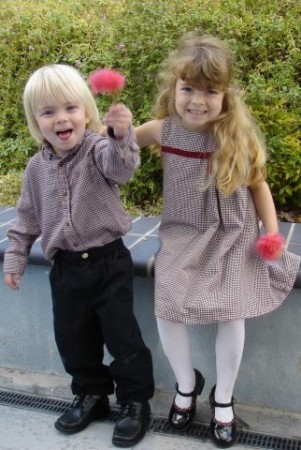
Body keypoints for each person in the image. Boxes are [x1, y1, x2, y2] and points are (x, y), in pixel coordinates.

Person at [135, 32, 300, 448]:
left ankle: (223, 397)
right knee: (167, 303)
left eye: (210, 91)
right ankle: (186, 384)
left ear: (227, 96)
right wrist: (110, 130)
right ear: (173, 89)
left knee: (232, 310)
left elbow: (259, 188)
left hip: (233, 235)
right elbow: (116, 145)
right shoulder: (163, 130)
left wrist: (272, 234)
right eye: (187, 88)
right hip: (183, 234)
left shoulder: (235, 137)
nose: (197, 100)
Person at [3, 64, 154, 448]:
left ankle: (135, 401)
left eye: (70, 107)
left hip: (108, 261)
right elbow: (26, 218)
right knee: (74, 338)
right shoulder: (36, 169)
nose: (61, 119)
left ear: (87, 111)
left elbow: (122, 169)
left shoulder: (99, 149)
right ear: (36, 122)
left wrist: (121, 135)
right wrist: (16, 257)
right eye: (48, 112)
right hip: (66, 269)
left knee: (123, 337)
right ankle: (92, 395)